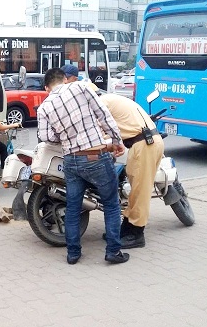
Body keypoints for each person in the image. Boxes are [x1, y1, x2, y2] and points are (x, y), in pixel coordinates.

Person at [37, 67, 129, 265]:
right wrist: (117, 140)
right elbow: (103, 114)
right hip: (95, 156)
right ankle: (113, 251)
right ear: (64, 79)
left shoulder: (44, 107)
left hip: (71, 160)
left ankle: (73, 253)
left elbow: (46, 138)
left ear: (47, 88)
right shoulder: (80, 87)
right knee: (112, 205)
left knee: (73, 208)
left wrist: (64, 134)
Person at [92, 83, 164, 249]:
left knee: (140, 191)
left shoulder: (103, 104)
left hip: (145, 144)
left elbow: (96, 132)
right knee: (135, 190)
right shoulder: (110, 99)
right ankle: (126, 230)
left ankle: (137, 234)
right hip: (143, 143)